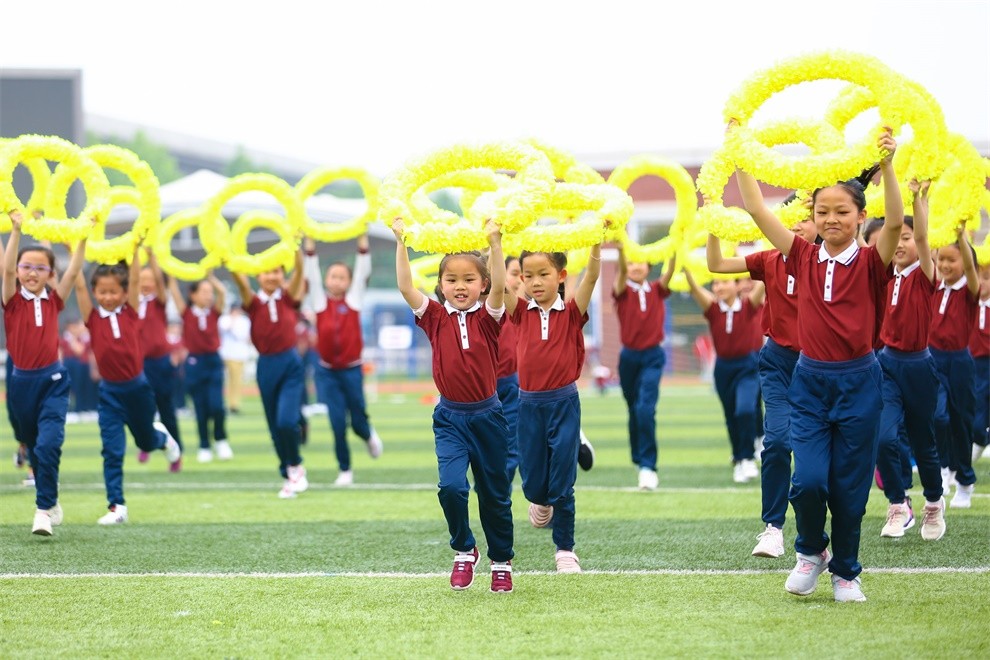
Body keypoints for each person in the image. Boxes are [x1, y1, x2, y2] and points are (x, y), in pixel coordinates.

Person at [735, 125, 902, 602]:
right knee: (807, 481)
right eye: (822, 211)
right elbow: (755, 208)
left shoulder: (873, 261)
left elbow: (893, 224)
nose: (830, 219)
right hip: (808, 380)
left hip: (860, 383)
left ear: (858, 216)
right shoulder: (802, 256)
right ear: (811, 214)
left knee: (849, 490)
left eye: (841, 212)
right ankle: (811, 552)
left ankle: (846, 571)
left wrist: (888, 166)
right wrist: (739, 152)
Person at [393, 218, 514, 593]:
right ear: (441, 284)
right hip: (449, 418)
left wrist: (495, 244)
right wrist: (402, 241)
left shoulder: (490, 317)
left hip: (489, 417)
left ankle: (501, 560)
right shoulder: (432, 316)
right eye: (452, 280)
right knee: (451, 488)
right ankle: (464, 550)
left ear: (483, 284)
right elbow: (404, 285)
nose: (460, 286)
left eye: (468, 280)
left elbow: (500, 282)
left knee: (494, 494)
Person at [706, 203, 817, 558]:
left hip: (821, 365)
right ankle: (773, 528)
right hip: (778, 361)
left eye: (806, 215)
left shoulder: (828, 260)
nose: (798, 224)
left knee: (816, 458)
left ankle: (819, 533)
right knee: (777, 441)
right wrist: (713, 225)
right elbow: (717, 265)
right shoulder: (769, 259)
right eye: (791, 217)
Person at [505, 242, 602, 574]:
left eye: (543, 274)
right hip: (528, 405)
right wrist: (495, 242)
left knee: (563, 480)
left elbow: (590, 278)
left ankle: (565, 549)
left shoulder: (573, 312)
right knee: (533, 483)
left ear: (560, 276)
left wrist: (595, 243)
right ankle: (539, 499)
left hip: (564, 404)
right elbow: (499, 286)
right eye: (527, 275)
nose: (535, 282)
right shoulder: (519, 312)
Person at [74, 246, 182, 524]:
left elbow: (134, 279)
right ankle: (117, 506)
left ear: (123, 294)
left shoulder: (131, 312)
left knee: (145, 440)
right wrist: (75, 248)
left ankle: (163, 439)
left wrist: (135, 250)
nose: (107, 297)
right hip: (109, 393)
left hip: (138, 389)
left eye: (113, 292)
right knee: (112, 449)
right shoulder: (93, 318)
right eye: (102, 292)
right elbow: (79, 287)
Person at [867, 180, 946, 541]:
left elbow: (927, 242)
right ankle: (898, 504)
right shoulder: (884, 277)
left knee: (923, 442)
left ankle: (933, 502)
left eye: (906, 237)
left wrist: (917, 199)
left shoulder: (926, 277)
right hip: (885, 365)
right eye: (894, 238)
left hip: (919, 366)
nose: (899, 244)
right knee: (883, 438)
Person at [2, 211, 88, 535]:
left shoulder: (54, 300)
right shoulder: (11, 300)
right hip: (22, 384)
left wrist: (83, 237)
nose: (32, 272)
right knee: (36, 448)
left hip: (53, 381)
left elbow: (75, 269)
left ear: (50, 273)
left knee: (50, 444)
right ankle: (50, 500)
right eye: (27, 267)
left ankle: (42, 510)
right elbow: (7, 267)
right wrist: (15, 229)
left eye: (40, 267)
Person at [303, 234, 382, 486]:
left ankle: (367, 434)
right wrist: (311, 248)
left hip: (351, 370)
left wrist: (362, 245)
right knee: (337, 422)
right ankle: (345, 469)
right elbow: (311, 275)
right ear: (327, 280)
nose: (336, 280)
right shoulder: (318, 301)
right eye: (333, 276)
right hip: (327, 372)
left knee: (357, 420)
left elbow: (362, 271)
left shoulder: (354, 299)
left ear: (349, 282)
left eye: (342, 277)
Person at [232, 253, 309, 498]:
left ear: (282, 274)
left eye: (276, 271)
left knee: (287, 421)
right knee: (275, 427)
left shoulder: (288, 298)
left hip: (290, 364)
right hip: (266, 367)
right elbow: (241, 283)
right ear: (258, 275)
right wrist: (230, 258)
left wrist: (296, 249)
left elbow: (299, 272)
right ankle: (288, 474)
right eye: (266, 272)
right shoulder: (253, 303)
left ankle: (296, 464)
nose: (271, 276)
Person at [684, 265, 765, 483]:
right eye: (716, 283)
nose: (719, 287)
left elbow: (765, 281)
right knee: (731, 417)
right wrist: (684, 263)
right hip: (723, 369)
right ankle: (739, 459)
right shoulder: (713, 308)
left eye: (725, 282)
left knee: (745, 410)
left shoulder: (749, 306)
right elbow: (693, 287)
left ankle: (748, 457)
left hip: (747, 367)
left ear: (737, 286)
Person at [613, 247, 676, 490]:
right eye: (631, 263)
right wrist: (620, 248)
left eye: (641, 262)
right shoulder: (622, 290)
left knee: (645, 409)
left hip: (653, 356)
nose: (636, 266)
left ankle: (648, 466)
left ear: (649, 267)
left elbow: (669, 272)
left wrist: (675, 244)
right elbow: (619, 276)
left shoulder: (657, 290)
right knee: (633, 409)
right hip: (628, 358)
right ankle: (639, 458)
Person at [929, 228, 980, 508]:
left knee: (960, 421)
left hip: (960, 362)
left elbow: (971, 268)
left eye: (952, 260)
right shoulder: (935, 286)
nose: (946, 265)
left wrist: (961, 236)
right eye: (942, 260)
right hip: (932, 360)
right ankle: (945, 466)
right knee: (938, 417)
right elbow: (928, 248)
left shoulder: (969, 291)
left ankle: (965, 481)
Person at [169, 273, 232, 463]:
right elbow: (173, 289)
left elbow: (222, 292)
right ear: (193, 294)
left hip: (213, 361)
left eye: (209, 292)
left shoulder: (214, 311)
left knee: (217, 406)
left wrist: (210, 276)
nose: (208, 295)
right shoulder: (186, 312)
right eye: (204, 292)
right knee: (200, 407)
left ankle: (220, 439)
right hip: (194, 363)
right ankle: (204, 445)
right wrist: (170, 270)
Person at [136, 249, 184, 467]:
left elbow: (162, 285)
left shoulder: (159, 302)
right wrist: (135, 253)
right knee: (142, 408)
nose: (146, 283)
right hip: (139, 364)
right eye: (142, 279)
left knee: (166, 409)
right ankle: (146, 444)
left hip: (161, 363)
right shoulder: (131, 303)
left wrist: (153, 257)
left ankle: (176, 451)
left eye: (151, 279)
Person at [970, 260, 990, 462]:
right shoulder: (970, 303)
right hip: (975, 367)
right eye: (979, 277)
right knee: (977, 415)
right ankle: (981, 439)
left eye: (987, 278)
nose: (982, 283)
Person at [218, 306, 252, 415]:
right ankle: (230, 404)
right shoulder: (225, 319)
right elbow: (225, 329)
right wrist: (233, 319)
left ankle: (234, 404)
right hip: (228, 354)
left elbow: (244, 336)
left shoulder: (244, 321)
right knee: (228, 380)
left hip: (239, 355)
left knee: (237, 381)